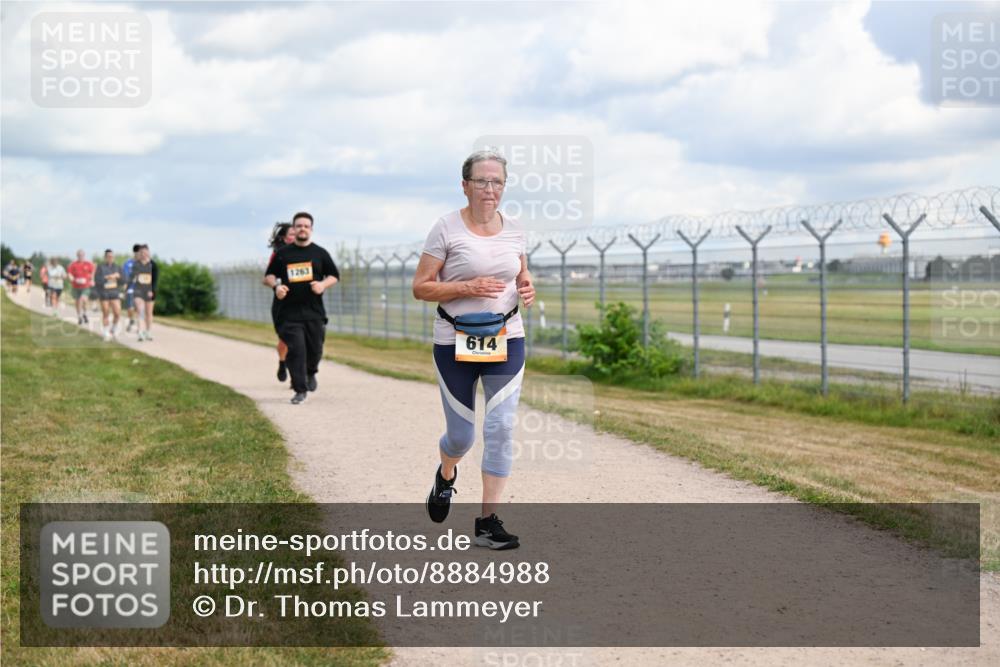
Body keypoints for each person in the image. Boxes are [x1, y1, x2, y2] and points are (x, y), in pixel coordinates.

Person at [411, 149, 536, 550]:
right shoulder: (445, 229)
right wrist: (466, 287)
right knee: (462, 437)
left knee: (500, 428)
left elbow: (521, 273)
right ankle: (446, 473)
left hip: (506, 337)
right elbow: (422, 287)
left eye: (496, 181)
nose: (489, 189)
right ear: (464, 186)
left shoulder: (515, 229)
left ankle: (487, 522)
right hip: (455, 342)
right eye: (481, 181)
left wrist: (528, 287)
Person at [264, 212, 339, 404]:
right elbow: (268, 276)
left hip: (314, 312)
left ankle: (311, 372)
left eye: (306, 226)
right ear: (294, 229)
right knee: (296, 350)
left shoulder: (319, 253)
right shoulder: (283, 254)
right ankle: (299, 389)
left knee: (315, 349)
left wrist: (322, 285)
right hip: (289, 313)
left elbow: (334, 275)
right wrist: (276, 287)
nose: (302, 228)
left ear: (311, 229)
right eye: (299, 226)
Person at [262, 222, 295, 382]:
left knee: (303, 338)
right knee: (285, 339)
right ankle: (283, 362)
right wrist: (277, 286)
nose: (295, 236)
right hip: (282, 303)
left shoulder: (308, 252)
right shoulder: (278, 254)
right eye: (291, 234)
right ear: (284, 238)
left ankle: (299, 375)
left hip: (302, 302)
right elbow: (267, 277)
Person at [92, 249, 123, 341]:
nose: (111, 258)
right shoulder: (100, 267)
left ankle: (112, 330)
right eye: (109, 257)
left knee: (117, 313)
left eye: (112, 257)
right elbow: (97, 280)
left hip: (114, 292)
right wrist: (108, 277)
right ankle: (106, 333)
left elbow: (123, 280)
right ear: (105, 257)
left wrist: (119, 277)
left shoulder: (117, 267)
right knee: (106, 312)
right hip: (104, 293)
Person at [129, 244, 158, 341]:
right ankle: (140, 332)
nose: (144, 254)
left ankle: (148, 332)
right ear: (139, 254)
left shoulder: (153, 265)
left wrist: (151, 290)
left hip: (150, 291)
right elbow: (132, 277)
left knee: (149, 313)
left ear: (148, 253)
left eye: (146, 252)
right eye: (142, 253)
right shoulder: (136, 264)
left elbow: (155, 280)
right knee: (140, 311)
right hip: (139, 291)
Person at [67, 250, 95, 325]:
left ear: (84, 255)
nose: (81, 256)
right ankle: (79, 316)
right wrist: (71, 278)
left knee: (83, 300)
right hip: (76, 286)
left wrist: (92, 280)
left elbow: (92, 272)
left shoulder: (88, 264)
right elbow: (69, 273)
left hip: (85, 286)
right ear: (77, 256)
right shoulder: (73, 264)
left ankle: (84, 313)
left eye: (82, 255)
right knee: (77, 302)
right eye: (79, 255)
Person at [122, 244, 141, 332]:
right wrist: (124, 289)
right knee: (130, 308)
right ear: (134, 252)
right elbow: (125, 277)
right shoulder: (127, 263)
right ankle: (131, 320)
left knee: (138, 308)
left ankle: (139, 326)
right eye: (138, 252)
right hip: (130, 288)